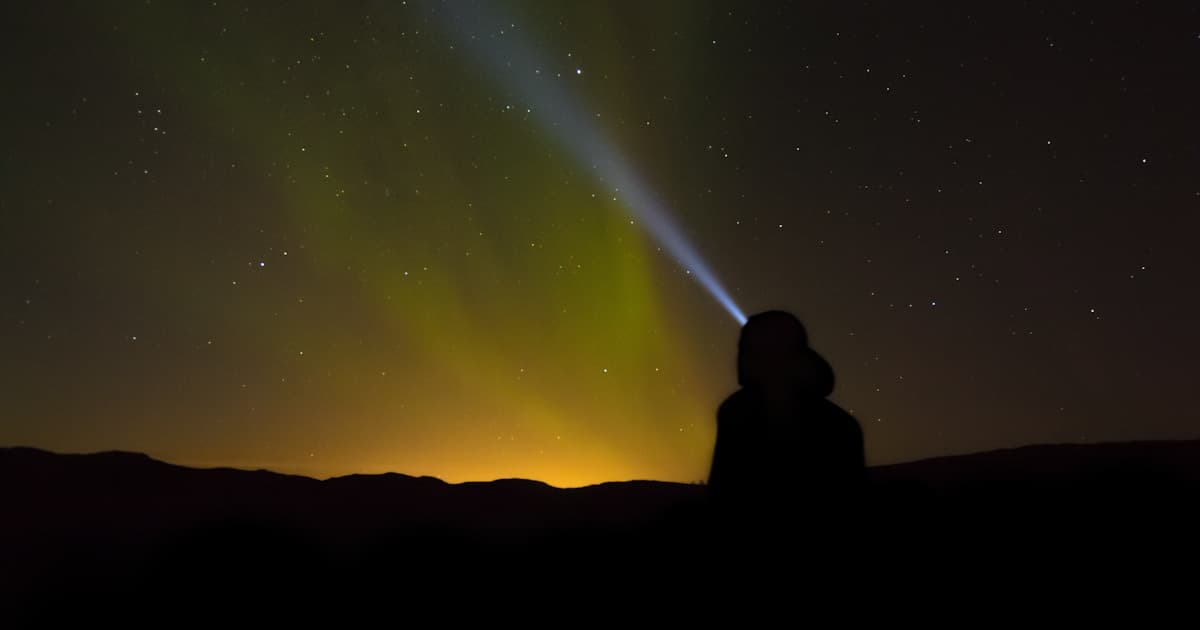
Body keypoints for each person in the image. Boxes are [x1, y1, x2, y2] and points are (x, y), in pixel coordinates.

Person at [708, 311, 865, 520]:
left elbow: (723, 494)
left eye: (748, 350)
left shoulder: (736, 412)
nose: (739, 360)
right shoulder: (843, 425)